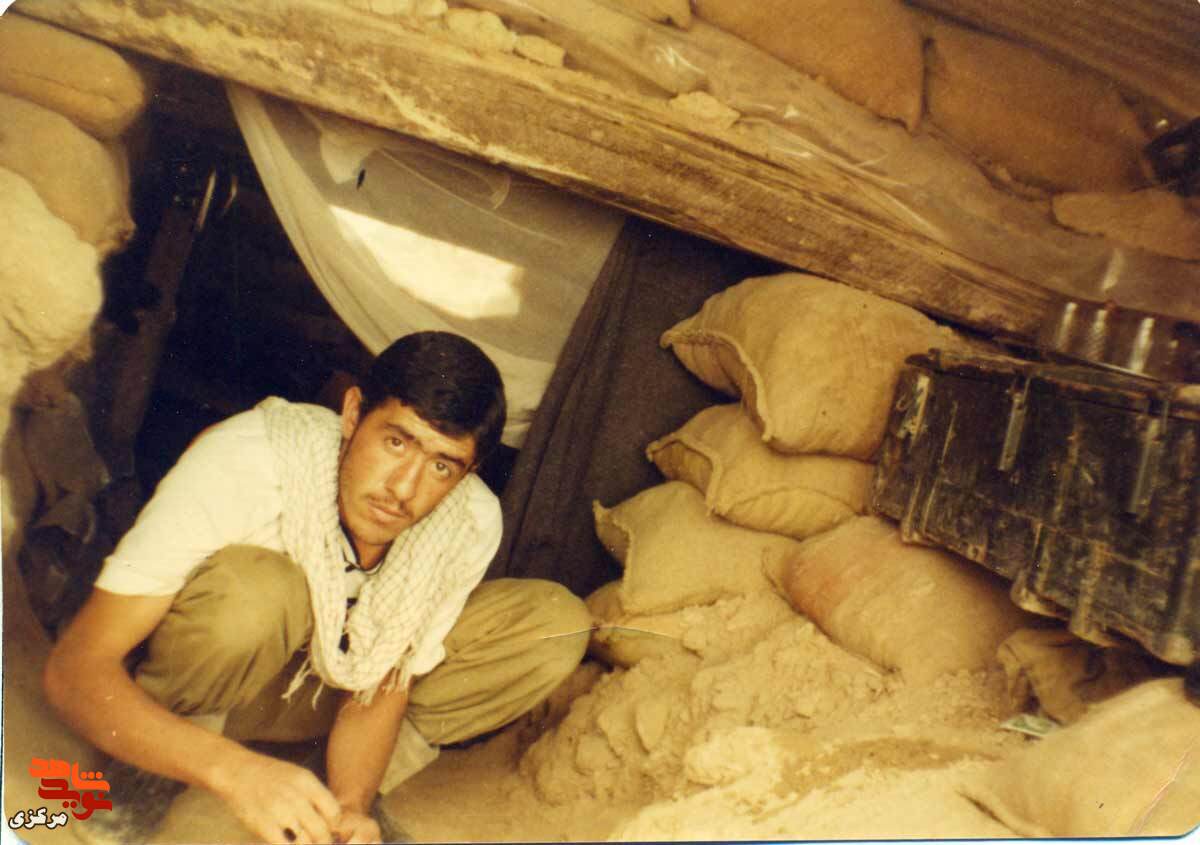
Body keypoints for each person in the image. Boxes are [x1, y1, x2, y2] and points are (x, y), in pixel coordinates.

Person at [43, 331, 591, 844]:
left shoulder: (469, 521)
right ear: (352, 414)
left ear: (468, 472)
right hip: (211, 683)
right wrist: (232, 770)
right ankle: (145, 775)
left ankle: (336, 795)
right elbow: (74, 670)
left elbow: (386, 681)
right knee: (258, 592)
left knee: (551, 623)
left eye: (442, 467)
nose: (403, 490)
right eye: (396, 442)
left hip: (321, 700)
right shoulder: (251, 459)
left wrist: (351, 805)